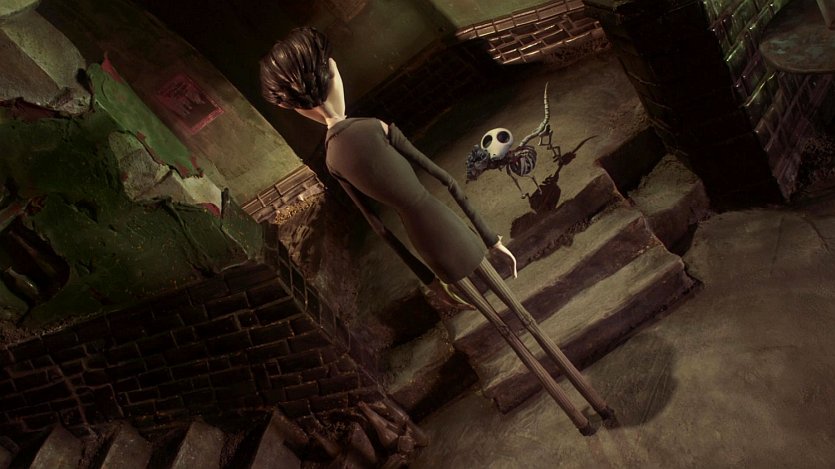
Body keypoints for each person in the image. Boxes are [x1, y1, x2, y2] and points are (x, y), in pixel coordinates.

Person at [260, 27, 613, 435]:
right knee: (522, 318)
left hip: (426, 245)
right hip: (447, 225)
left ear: (300, 109)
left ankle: (580, 418)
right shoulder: (375, 127)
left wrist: (430, 280)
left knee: (504, 330)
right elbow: (447, 181)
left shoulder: (332, 160)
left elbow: (380, 228)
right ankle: (594, 404)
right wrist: (491, 238)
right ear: (333, 77)